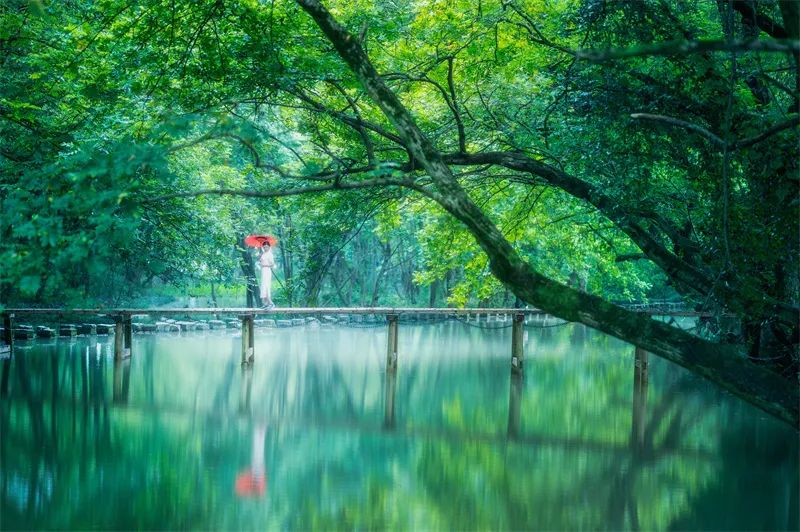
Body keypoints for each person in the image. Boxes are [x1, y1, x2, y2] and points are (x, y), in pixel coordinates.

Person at [258, 243, 276, 309]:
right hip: (263, 271)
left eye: (267, 247)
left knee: (266, 286)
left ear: (269, 247)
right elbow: (261, 262)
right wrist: (260, 261)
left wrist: (264, 265)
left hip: (267, 271)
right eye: (264, 247)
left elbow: (272, 264)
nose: (265, 248)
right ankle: (265, 303)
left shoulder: (270, 254)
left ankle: (271, 303)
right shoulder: (263, 254)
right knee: (263, 285)